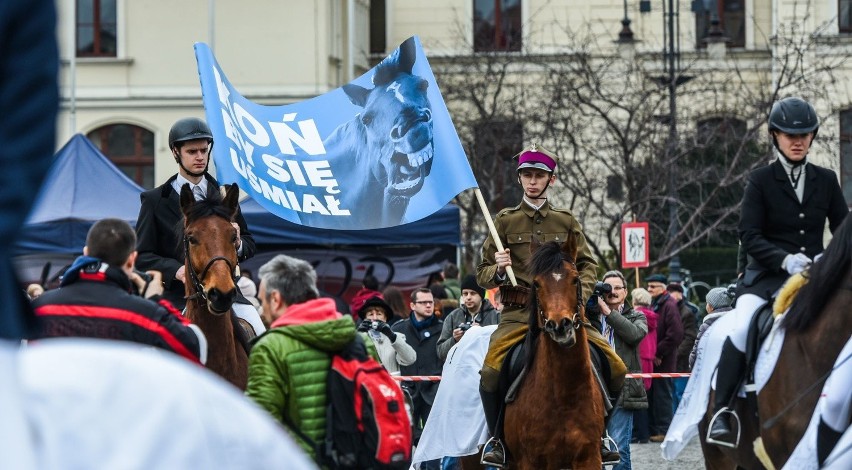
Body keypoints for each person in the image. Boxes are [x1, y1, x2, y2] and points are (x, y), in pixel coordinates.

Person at [707, 97, 848, 448]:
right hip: (766, 279)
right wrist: (785, 261)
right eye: (789, 135)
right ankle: (724, 411)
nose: (797, 140)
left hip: (815, 278)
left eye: (804, 134)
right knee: (741, 327)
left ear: (813, 136)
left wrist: (828, 262)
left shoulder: (826, 180)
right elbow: (749, 235)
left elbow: (844, 231)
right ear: (775, 136)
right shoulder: (760, 180)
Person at [475, 144, 625, 467]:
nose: (532, 181)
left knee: (616, 367)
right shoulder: (504, 221)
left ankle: (602, 435)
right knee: (489, 374)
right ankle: (497, 439)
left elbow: (587, 265)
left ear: (551, 180)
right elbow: (481, 274)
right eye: (527, 175)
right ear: (519, 179)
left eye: (539, 176)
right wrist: (499, 269)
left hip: (565, 313)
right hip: (518, 316)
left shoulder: (566, 220)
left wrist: (576, 297)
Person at [134, 117, 264, 335]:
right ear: (176, 152)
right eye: (192, 152)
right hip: (177, 296)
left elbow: (250, 244)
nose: (200, 157)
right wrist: (177, 271)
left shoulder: (223, 195)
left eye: (204, 151)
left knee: (260, 333)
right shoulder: (154, 200)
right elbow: (142, 255)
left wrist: (238, 242)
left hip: (225, 293)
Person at [245, 254, 376, 463]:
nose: (263, 309)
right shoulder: (359, 340)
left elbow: (260, 426)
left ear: (276, 299)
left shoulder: (270, 348)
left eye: (262, 301)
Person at [31, 218, 206, 364]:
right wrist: (155, 300)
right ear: (132, 260)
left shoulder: (38, 309)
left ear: (85, 253)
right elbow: (196, 347)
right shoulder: (144, 315)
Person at [594, 271, 648, 469]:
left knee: (619, 447)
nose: (613, 292)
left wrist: (608, 313)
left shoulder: (636, 316)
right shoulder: (591, 316)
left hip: (623, 389)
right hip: (594, 388)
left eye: (618, 288)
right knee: (592, 447)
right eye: (608, 288)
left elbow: (634, 335)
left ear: (626, 292)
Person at [391, 287, 443, 470]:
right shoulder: (398, 329)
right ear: (412, 305)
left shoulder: (442, 328)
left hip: (434, 391)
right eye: (424, 302)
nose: (429, 305)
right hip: (407, 391)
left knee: (434, 440)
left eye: (431, 302)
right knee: (406, 437)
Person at [645, 274, 683, 443]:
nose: (649, 289)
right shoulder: (657, 303)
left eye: (653, 286)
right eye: (648, 286)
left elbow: (675, 334)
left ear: (663, 288)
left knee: (663, 396)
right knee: (656, 395)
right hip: (656, 360)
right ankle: (656, 429)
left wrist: (658, 353)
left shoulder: (669, 305)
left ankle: (664, 430)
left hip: (664, 360)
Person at [436, 274, 500, 363]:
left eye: (473, 293)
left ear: (481, 295)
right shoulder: (453, 317)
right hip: (460, 371)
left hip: (485, 371)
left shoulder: (496, 316)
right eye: (465, 294)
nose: (468, 297)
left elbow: (502, 348)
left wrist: (481, 334)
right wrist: (454, 340)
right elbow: (440, 353)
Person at [355, 294, 416, 374]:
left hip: (390, 384)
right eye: (370, 314)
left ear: (385, 318)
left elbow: (410, 359)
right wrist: (356, 337)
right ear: (365, 318)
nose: (375, 318)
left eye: (379, 314)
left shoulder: (398, 337)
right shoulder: (360, 338)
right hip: (368, 384)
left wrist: (392, 336)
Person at [631, 287, 657, 444]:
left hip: (639, 357)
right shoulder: (652, 316)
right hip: (649, 358)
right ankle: (643, 433)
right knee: (645, 396)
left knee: (636, 396)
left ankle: (640, 433)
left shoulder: (636, 316)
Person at [666, 283, 697, 411]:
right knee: (672, 396)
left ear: (679, 294)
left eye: (671, 292)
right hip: (671, 363)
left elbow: (690, 338)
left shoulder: (686, 313)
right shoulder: (670, 310)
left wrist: (675, 354)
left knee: (681, 395)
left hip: (681, 363)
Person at [689, 286, 734, 370]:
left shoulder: (707, 325)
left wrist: (692, 365)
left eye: (707, 303)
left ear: (711, 306)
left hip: (710, 371)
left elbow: (697, 351)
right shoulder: (736, 321)